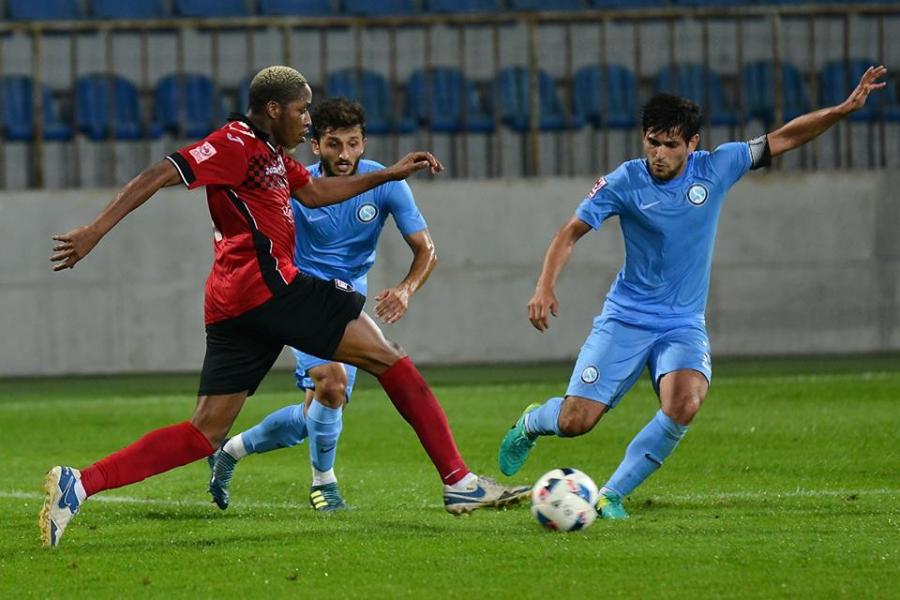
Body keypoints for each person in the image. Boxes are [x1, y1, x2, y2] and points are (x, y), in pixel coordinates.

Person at [41, 66, 528, 548]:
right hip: (269, 285)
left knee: (204, 433)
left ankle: (79, 484)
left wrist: (394, 173)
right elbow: (159, 172)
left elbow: (314, 194)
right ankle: (458, 481)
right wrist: (95, 231)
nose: (307, 121)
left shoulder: (271, 154)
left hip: (234, 299)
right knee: (388, 356)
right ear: (273, 109)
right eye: (301, 111)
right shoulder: (234, 143)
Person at [498, 65, 889, 519]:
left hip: (681, 323)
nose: (659, 153)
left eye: (670, 144)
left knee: (685, 402)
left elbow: (785, 138)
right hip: (625, 318)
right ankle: (531, 421)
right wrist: (545, 285)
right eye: (652, 141)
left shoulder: (718, 167)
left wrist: (841, 110)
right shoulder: (624, 181)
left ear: (692, 144)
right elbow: (570, 231)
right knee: (575, 422)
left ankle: (610, 495)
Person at [206, 96, 438, 512]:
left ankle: (231, 452)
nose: (344, 154)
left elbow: (426, 250)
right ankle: (323, 486)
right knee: (330, 383)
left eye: (352, 143)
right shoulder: (295, 186)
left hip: (348, 297)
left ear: (364, 143)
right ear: (316, 145)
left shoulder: (386, 183)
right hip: (301, 292)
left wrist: (406, 288)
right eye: (333, 144)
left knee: (320, 406)